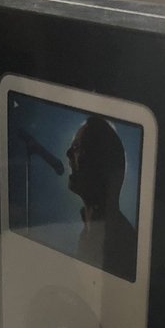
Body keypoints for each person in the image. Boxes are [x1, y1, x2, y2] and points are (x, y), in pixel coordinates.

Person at [66, 116, 137, 280]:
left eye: (77, 147)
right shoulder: (87, 234)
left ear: (101, 162)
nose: (68, 153)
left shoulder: (122, 244)